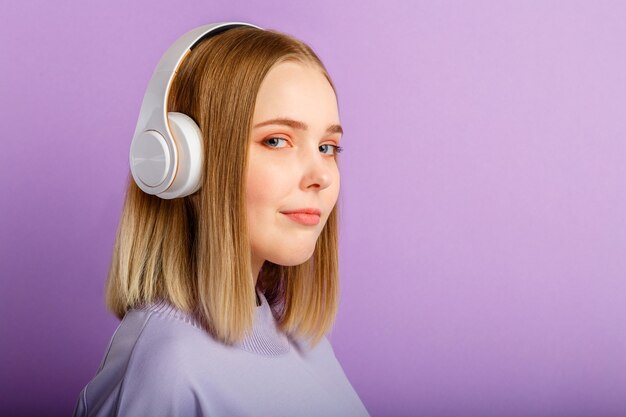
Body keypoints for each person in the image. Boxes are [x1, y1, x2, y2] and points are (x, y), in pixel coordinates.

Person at [72, 22, 370, 417]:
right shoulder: (167, 369)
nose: (322, 175)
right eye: (277, 140)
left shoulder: (304, 344)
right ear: (185, 163)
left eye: (327, 146)